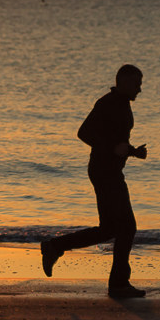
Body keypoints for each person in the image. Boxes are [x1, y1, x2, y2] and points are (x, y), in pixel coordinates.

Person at [41, 64, 148, 298]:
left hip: (109, 170)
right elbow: (84, 133)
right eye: (137, 84)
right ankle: (118, 284)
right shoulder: (108, 103)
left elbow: (115, 141)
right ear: (124, 82)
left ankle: (55, 247)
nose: (140, 89)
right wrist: (114, 147)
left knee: (111, 228)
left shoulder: (121, 104)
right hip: (103, 171)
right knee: (126, 227)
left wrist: (132, 152)